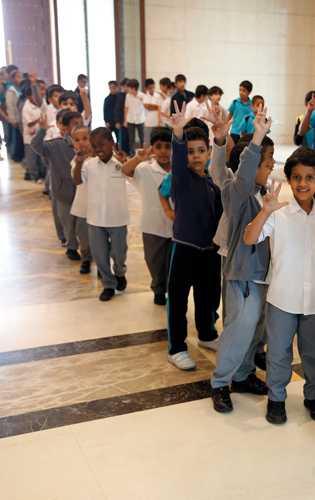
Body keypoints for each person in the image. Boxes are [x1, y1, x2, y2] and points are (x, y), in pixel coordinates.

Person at [243, 147, 315, 425]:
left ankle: (314, 396)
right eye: (297, 177)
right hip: (282, 299)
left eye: (310, 177)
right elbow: (249, 238)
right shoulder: (277, 212)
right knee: (279, 352)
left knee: (312, 353)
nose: (302, 183)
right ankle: (276, 398)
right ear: (289, 179)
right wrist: (265, 211)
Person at [210, 107, 274, 413]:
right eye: (267, 160)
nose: (272, 164)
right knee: (238, 329)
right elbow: (243, 173)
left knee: (255, 330)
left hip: (262, 273)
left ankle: (244, 374)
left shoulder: (263, 193)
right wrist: (257, 138)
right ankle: (220, 382)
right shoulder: (238, 193)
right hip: (244, 273)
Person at [165, 102, 223, 371]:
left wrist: (220, 137)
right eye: (190, 151)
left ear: (209, 152)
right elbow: (177, 160)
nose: (196, 156)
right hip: (184, 249)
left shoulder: (213, 182)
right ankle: (176, 348)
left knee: (208, 297)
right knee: (177, 300)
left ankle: (207, 334)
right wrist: (178, 133)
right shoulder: (181, 178)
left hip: (209, 251)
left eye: (201, 150)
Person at [72, 127, 130, 302]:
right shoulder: (89, 165)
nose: (98, 149)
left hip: (117, 218)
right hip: (95, 219)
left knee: (119, 252)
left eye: (102, 144)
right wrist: (79, 163)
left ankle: (119, 272)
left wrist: (126, 163)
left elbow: (133, 175)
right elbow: (77, 181)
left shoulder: (121, 163)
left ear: (112, 142)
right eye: (94, 146)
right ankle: (108, 284)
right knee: (100, 256)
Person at [32, 110, 91, 271]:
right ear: (65, 128)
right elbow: (37, 146)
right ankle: (71, 247)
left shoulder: (90, 147)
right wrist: (41, 130)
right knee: (68, 224)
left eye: (81, 123)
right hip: (64, 192)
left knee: (84, 228)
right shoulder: (56, 145)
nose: (79, 127)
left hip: (85, 195)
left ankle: (87, 255)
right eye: (75, 124)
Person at [121, 128, 174, 305]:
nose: (163, 151)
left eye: (168, 146)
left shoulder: (181, 169)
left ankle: (174, 291)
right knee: (154, 262)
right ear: (152, 148)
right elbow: (125, 170)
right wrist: (138, 159)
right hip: (152, 226)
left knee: (174, 264)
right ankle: (158, 290)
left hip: (177, 226)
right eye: (158, 146)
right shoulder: (145, 169)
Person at [69, 124, 93, 274]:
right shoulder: (76, 160)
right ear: (73, 143)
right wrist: (79, 162)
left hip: (100, 206)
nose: (81, 142)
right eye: (77, 140)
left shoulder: (100, 158)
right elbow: (76, 177)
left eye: (85, 138)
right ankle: (86, 259)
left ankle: (103, 262)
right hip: (83, 206)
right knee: (83, 236)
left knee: (102, 238)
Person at [21, 76, 46, 182]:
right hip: (29, 137)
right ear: (28, 96)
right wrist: (39, 120)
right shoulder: (26, 108)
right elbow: (29, 123)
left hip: (40, 136)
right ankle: (33, 176)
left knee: (40, 157)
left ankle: (41, 174)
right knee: (31, 158)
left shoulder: (42, 104)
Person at [123, 79, 145, 156]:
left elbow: (146, 107)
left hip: (140, 119)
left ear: (133, 88)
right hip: (130, 119)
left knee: (142, 138)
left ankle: (142, 153)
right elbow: (126, 108)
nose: (127, 89)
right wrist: (125, 120)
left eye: (128, 87)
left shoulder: (142, 96)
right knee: (131, 139)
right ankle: (132, 154)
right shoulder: (128, 96)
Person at [142, 78, 163, 147]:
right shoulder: (145, 96)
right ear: (146, 88)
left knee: (157, 141)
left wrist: (155, 106)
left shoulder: (158, 96)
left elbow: (160, 107)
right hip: (148, 122)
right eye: (150, 88)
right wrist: (156, 106)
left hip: (156, 122)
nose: (152, 89)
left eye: (153, 87)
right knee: (148, 141)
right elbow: (147, 106)